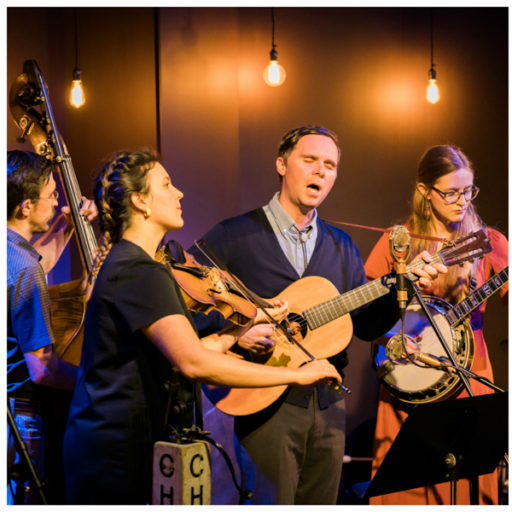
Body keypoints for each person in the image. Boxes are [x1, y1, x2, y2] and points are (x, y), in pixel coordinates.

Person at [62, 149, 342, 504]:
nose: (179, 193)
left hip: (120, 447)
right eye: (166, 184)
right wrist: (297, 375)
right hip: (115, 455)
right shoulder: (138, 270)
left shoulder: (139, 266)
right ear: (140, 202)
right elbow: (194, 362)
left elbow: (180, 353)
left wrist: (235, 333)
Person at [190, 125, 445, 504]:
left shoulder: (340, 245)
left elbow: (364, 326)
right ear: (281, 164)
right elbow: (188, 304)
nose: (321, 171)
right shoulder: (233, 235)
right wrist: (236, 334)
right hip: (265, 403)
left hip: (327, 404)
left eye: (330, 165)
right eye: (310, 160)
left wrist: (404, 290)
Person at [364, 145, 508, 505]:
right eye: (451, 192)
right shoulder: (396, 242)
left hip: (468, 376)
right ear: (425, 191)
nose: (462, 201)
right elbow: (367, 315)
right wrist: (392, 338)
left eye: (468, 191)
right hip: (409, 378)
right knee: (407, 486)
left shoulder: (488, 243)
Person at [7, 150, 96, 504]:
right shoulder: (25, 268)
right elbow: (42, 369)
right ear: (26, 207)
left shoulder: (13, 255)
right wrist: (96, 380)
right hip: (20, 413)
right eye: (53, 196)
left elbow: (34, 265)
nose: (61, 203)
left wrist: (70, 223)